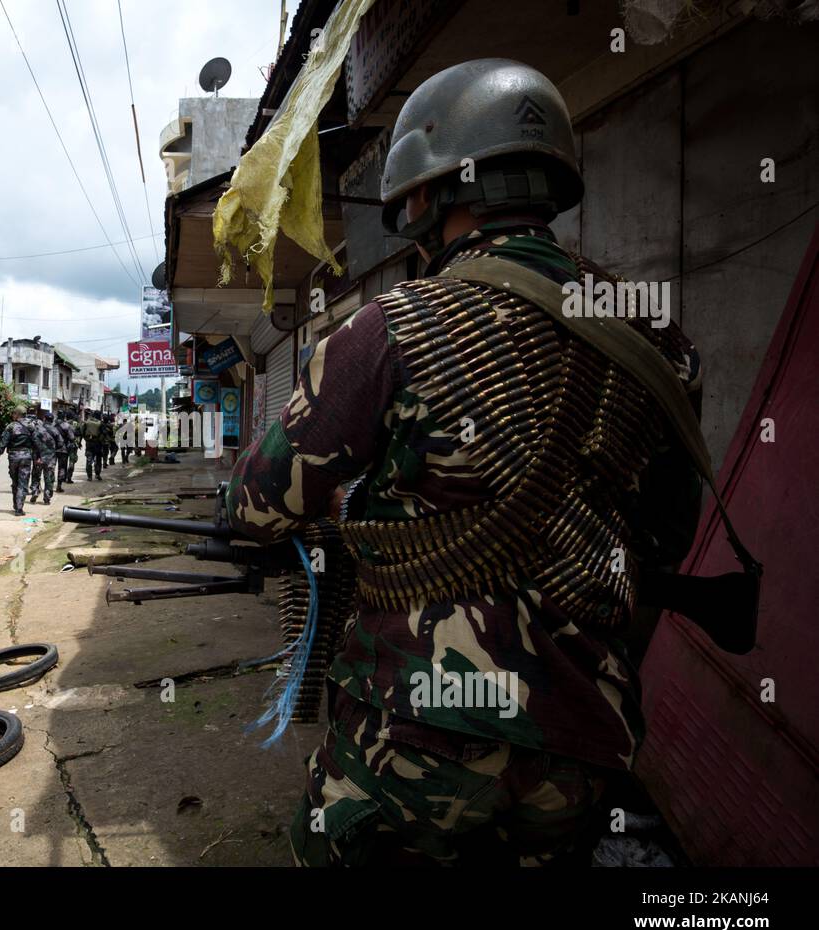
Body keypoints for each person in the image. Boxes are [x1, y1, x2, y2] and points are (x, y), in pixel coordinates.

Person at [226, 58, 703, 867]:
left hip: (415, 739)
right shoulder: (654, 338)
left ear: (429, 193)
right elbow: (666, 535)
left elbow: (256, 508)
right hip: (583, 741)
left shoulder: (392, 328)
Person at [0, 405, 42, 516]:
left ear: (17, 414)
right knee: (23, 483)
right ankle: (19, 508)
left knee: (15, 482)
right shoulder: (31, 426)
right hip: (26, 457)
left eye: (14, 413)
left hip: (13, 457)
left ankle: (16, 505)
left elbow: (3, 443)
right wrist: (39, 456)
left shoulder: (11, 427)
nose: (12, 415)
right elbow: (36, 443)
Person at [81, 410, 103, 481]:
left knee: (89, 460)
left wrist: (86, 439)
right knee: (98, 460)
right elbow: (103, 433)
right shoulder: (100, 423)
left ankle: (89, 476)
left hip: (89, 444)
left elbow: (82, 432)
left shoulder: (87, 422)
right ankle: (97, 474)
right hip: (98, 444)